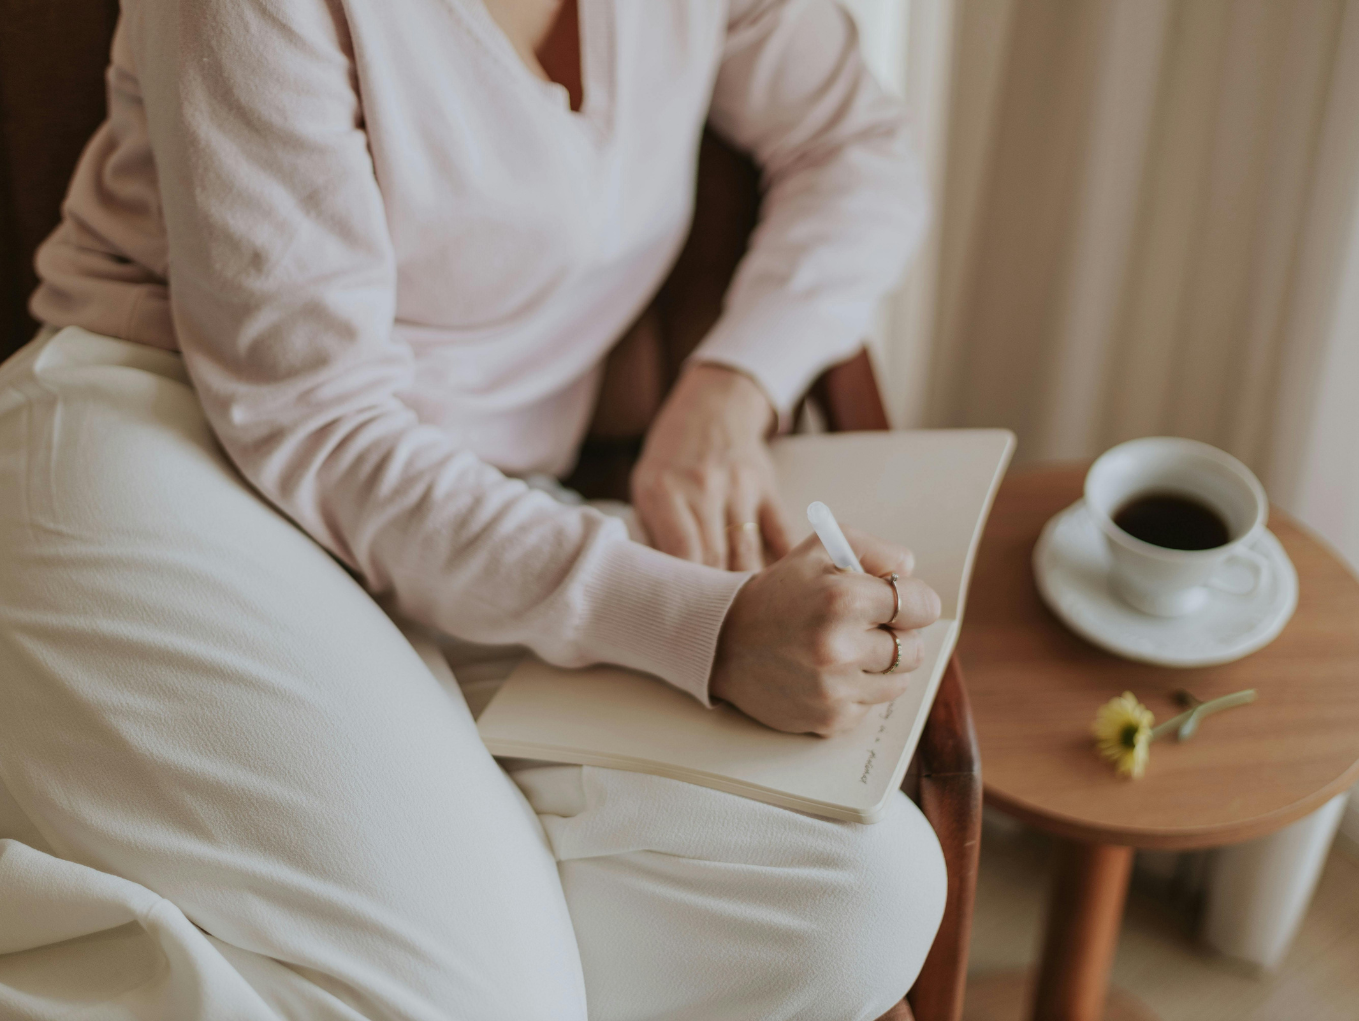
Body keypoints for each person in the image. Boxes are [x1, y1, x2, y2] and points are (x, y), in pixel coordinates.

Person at [0, 1, 946, 1018]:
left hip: (480, 519)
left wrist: (731, 387)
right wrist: (701, 631)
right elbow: (318, 423)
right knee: (483, 1001)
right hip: (173, 448)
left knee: (863, 898)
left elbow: (854, 144)